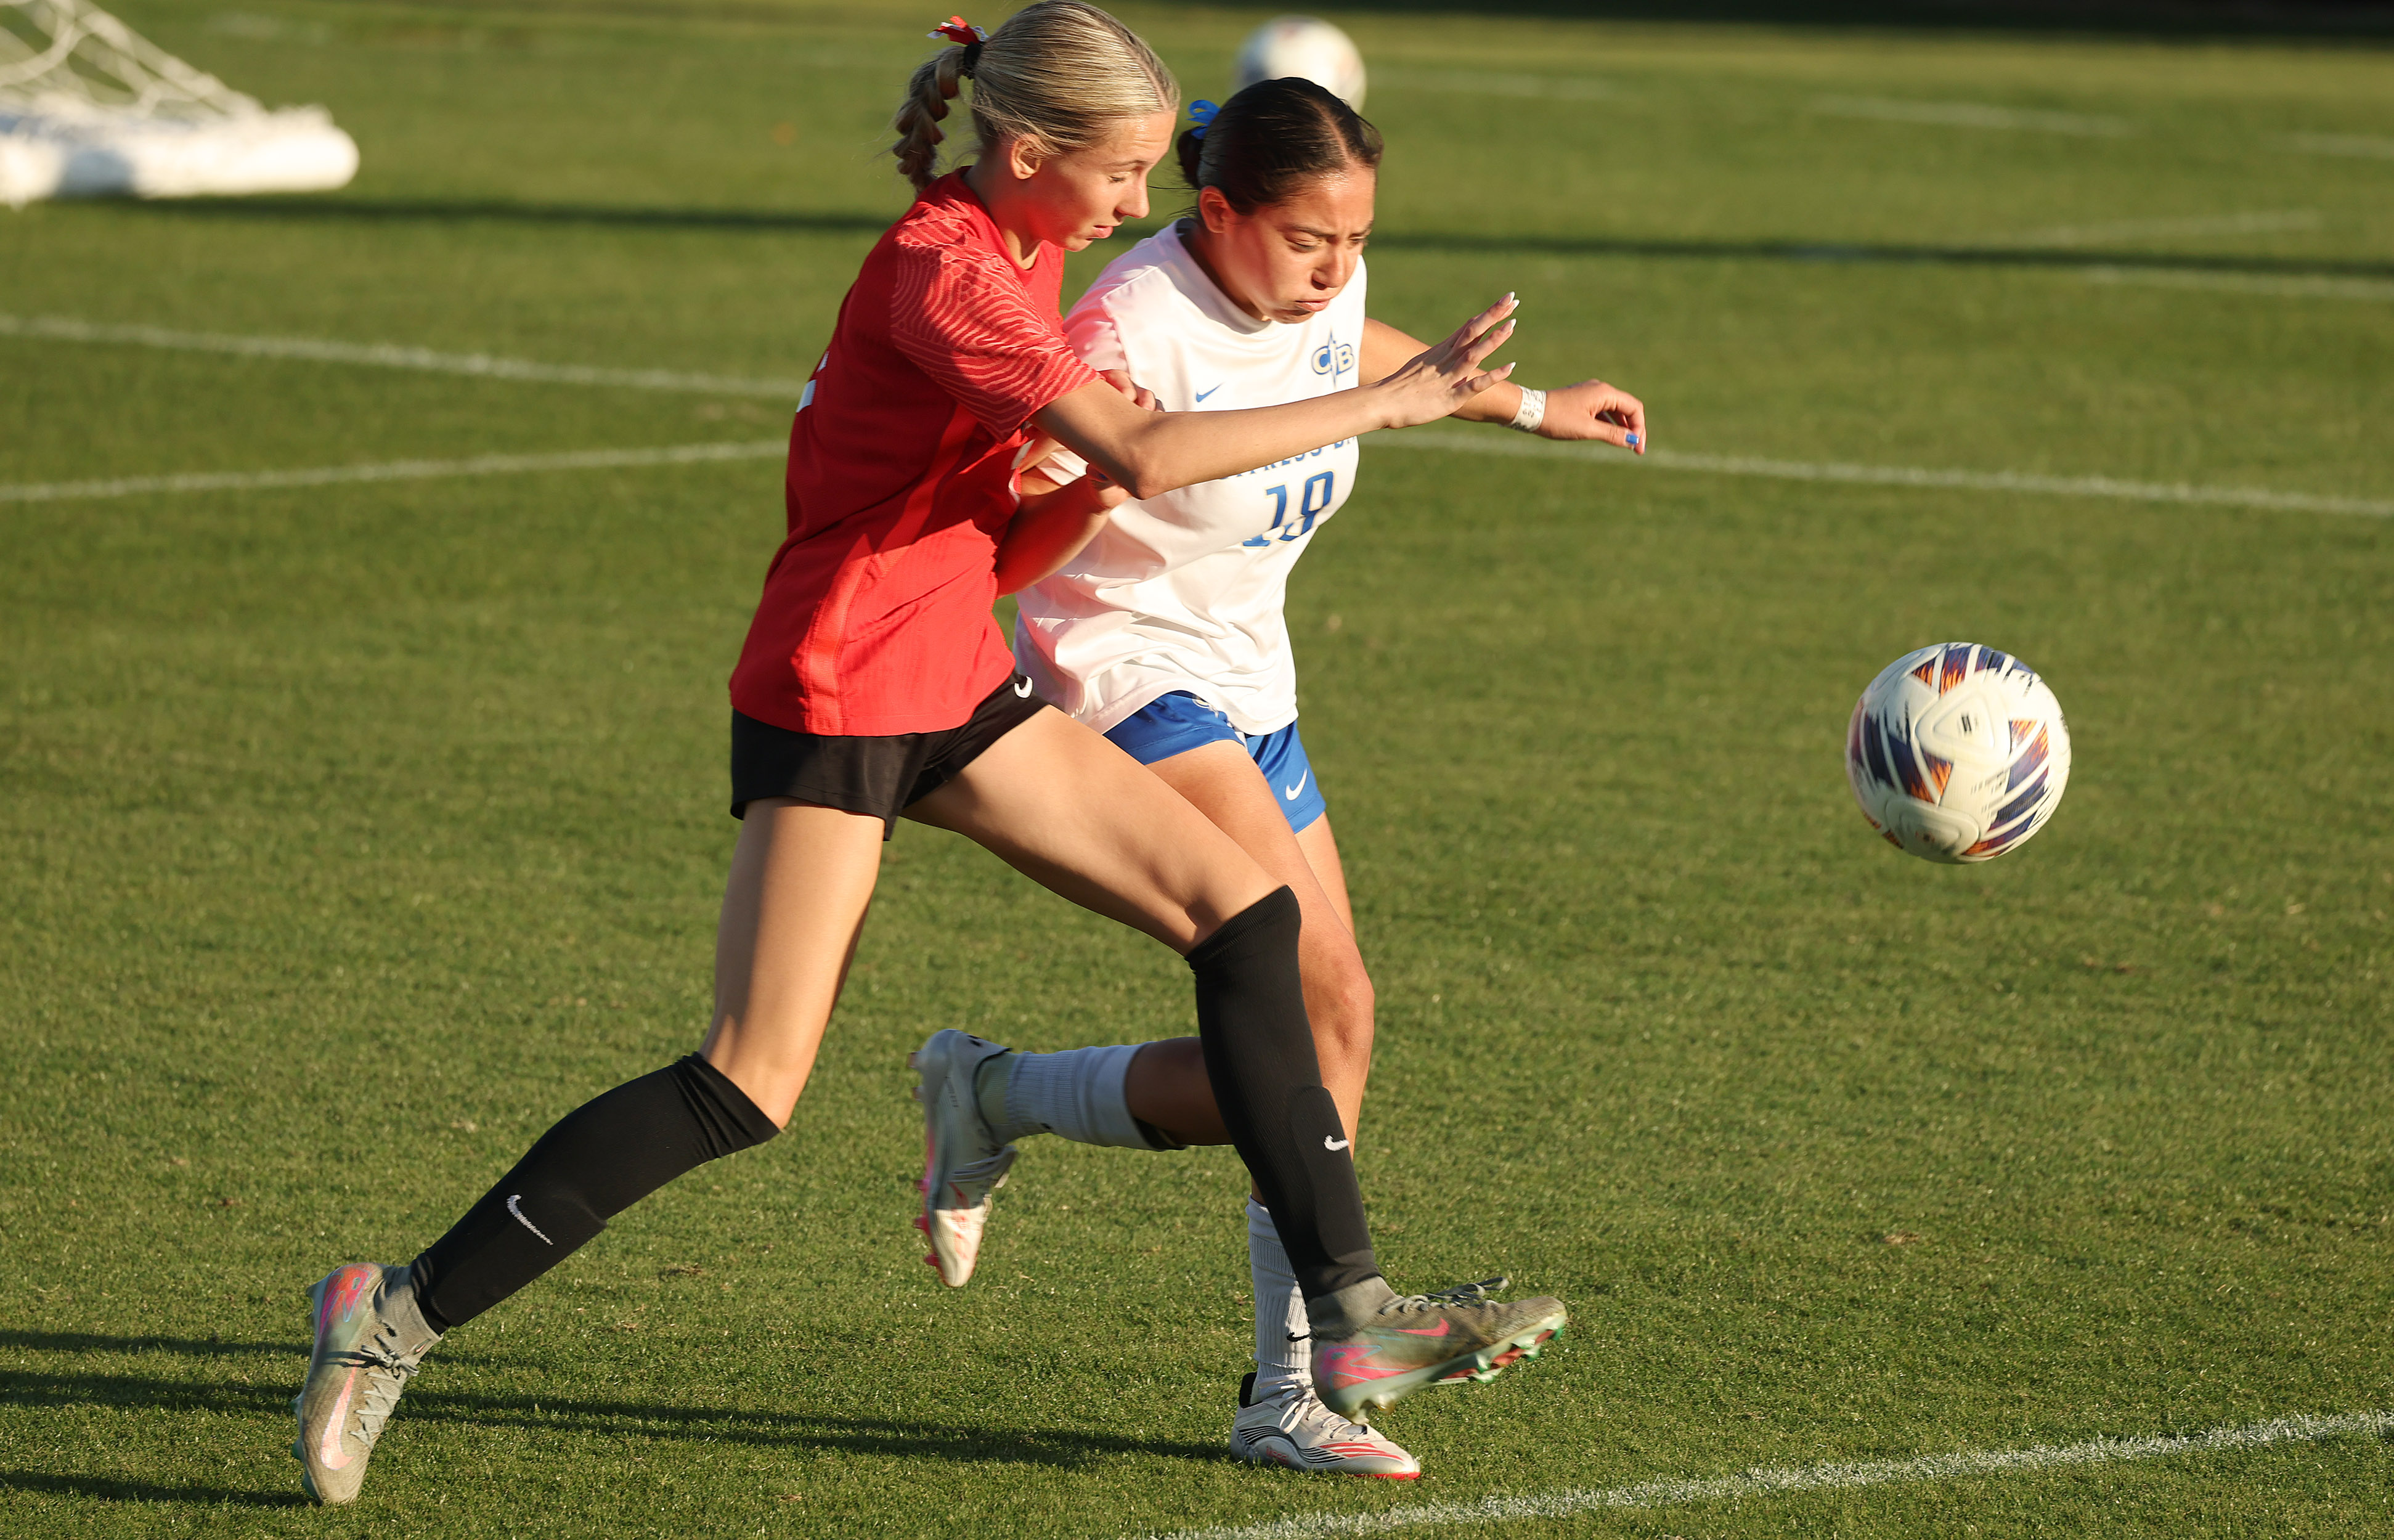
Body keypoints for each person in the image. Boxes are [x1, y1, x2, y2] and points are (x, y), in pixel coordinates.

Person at [289, 4, 1563, 1506]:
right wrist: (1393, 403)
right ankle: (392, 1312)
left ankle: (1348, 1325)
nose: (1136, 206)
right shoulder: (944, 273)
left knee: (1251, 917)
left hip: (956, 673)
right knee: (743, 1085)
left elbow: (1027, 529)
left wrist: (1071, 494)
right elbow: (1146, 452)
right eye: (1120, 173)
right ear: (1025, 151)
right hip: (839, 691)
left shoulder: (1025, 249)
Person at [916, 75, 1646, 1478]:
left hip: (1256, 684)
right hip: (1128, 675)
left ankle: (997, 1098)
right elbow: (1013, 483)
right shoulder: (1129, 321)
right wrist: (1058, 478)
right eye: (1309, 238)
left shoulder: (1313, 291)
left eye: (1356, 237)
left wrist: (1531, 403)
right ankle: (1306, 1374)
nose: (1336, 267)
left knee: (1333, 1023)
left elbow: (1350, 357)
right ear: (1218, 214)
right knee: (1305, 993)